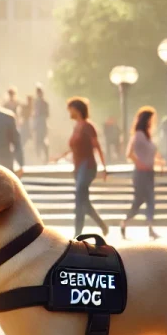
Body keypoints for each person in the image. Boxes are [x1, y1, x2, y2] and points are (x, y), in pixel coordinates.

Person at [55, 97, 109, 237]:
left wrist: (104, 168)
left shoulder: (87, 126)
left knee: (80, 199)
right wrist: (60, 156)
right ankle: (102, 225)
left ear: (77, 110)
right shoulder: (76, 127)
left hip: (88, 166)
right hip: (78, 168)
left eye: (70, 109)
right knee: (84, 200)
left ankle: (77, 234)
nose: (69, 113)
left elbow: (97, 146)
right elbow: (74, 147)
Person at [120, 106, 165, 240]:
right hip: (140, 174)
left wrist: (159, 162)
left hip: (149, 173)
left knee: (150, 200)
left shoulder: (147, 135)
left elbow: (150, 153)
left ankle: (150, 229)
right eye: (152, 118)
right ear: (146, 119)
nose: (154, 121)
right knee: (139, 201)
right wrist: (140, 164)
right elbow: (129, 153)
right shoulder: (138, 134)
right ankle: (124, 223)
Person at [32, 83, 50, 163]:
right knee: (37, 141)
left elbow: (47, 114)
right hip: (38, 123)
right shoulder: (35, 102)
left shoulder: (44, 103)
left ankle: (45, 157)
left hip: (42, 123)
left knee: (42, 140)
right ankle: (38, 158)